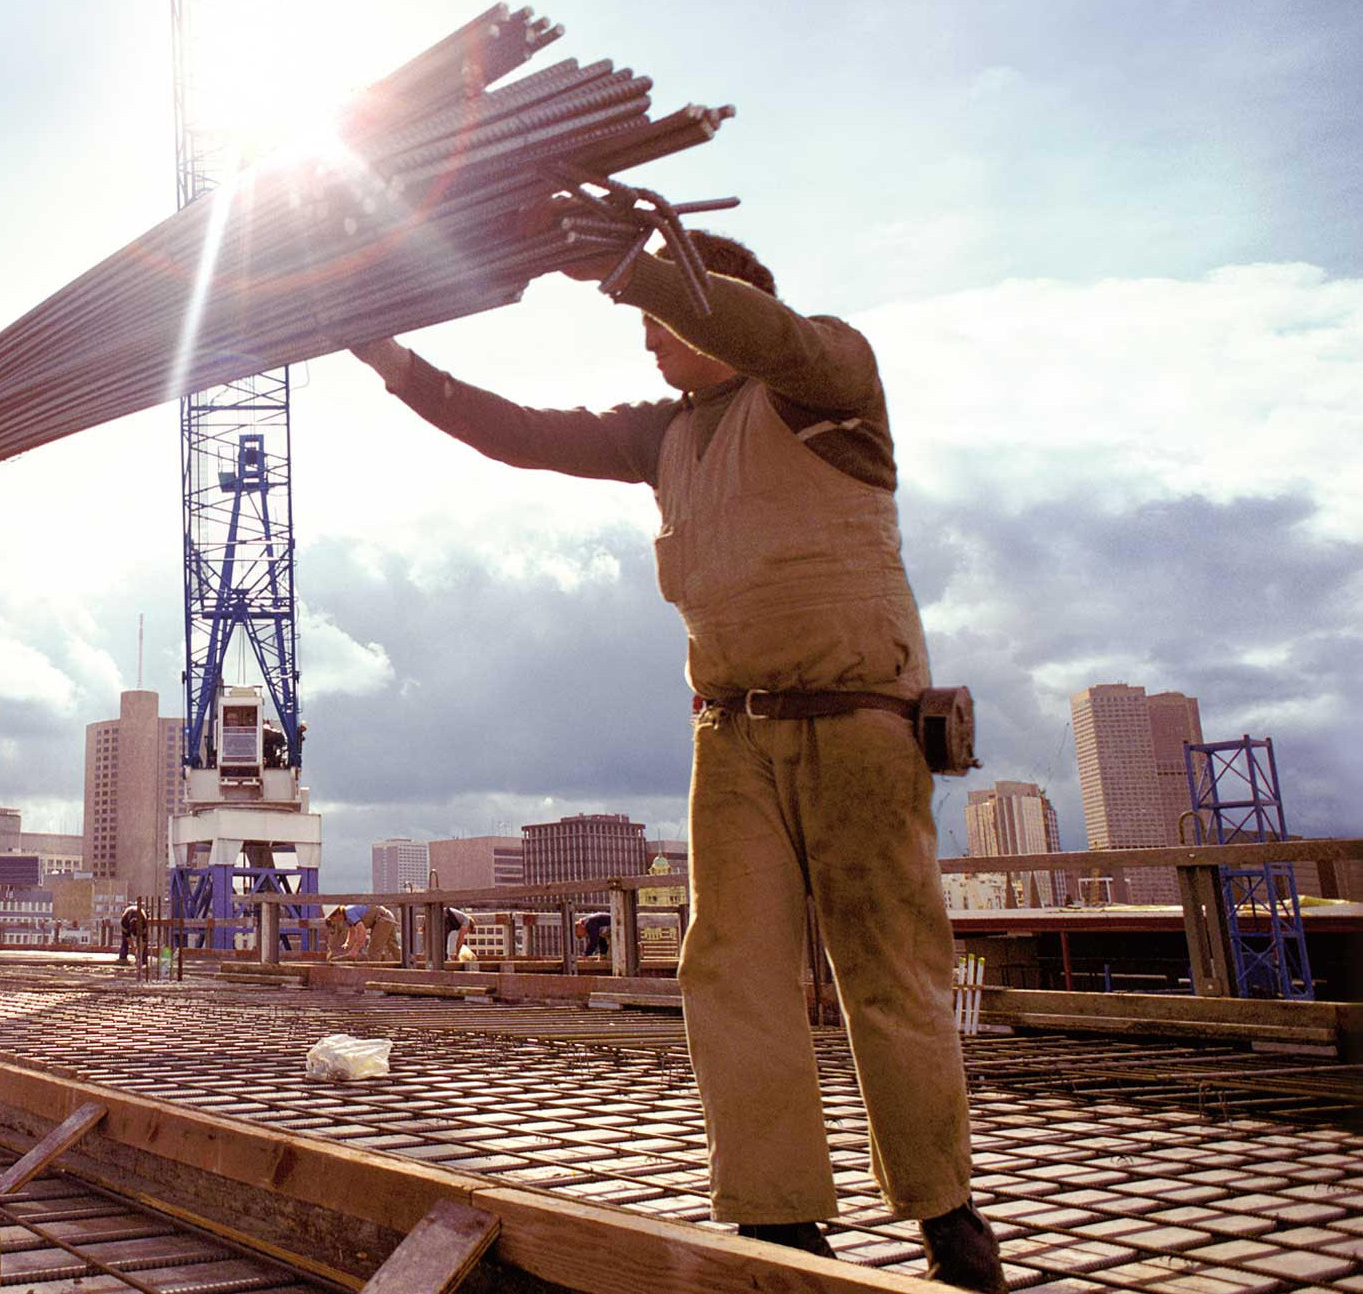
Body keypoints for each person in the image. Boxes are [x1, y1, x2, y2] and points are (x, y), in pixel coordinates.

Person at [350, 230, 1002, 1291]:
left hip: (855, 723)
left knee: (888, 971)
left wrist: (628, 266)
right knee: (728, 971)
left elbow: (765, 334)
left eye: (663, 320)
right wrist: (394, 363)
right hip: (729, 735)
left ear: (720, 305)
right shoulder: (666, 435)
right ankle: (776, 1216)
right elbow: (518, 433)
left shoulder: (823, 378)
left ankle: (943, 1212)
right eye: (643, 325)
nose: (648, 342)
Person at [324, 904, 398, 962]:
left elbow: (362, 932)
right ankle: (407, 966)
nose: (334, 921)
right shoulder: (346, 918)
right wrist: (347, 943)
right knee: (393, 946)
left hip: (382, 918)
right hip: (386, 917)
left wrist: (355, 949)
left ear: (337, 914)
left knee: (373, 951)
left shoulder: (349, 913)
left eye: (333, 919)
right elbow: (352, 931)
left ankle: (373, 975)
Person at [117, 900, 149, 968]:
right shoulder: (125, 920)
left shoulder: (144, 922)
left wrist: (140, 951)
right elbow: (127, 936)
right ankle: (123, 958)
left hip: (141, 921)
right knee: (125, 941)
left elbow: (144, 940)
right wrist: (133, 948)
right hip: (127, 916)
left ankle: (143, 961)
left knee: (144, 945)